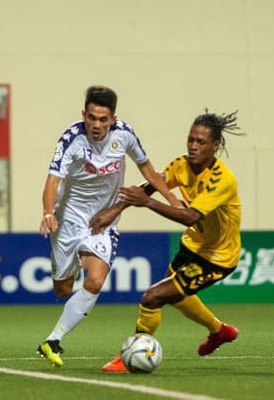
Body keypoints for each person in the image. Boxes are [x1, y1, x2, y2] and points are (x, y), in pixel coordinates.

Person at [38, 85, 180, 367]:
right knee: (63, 290)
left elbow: (148, 169)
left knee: (95, 281)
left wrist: (171, 198)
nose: (97, 125)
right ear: (84, 115)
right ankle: (72, 267)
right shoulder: (72, 138)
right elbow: (53, 180)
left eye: (103, 119)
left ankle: (52, 340)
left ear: (113, 119)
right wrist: (47, 212)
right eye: (92, 118)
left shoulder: (124, 134)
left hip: (104, 220)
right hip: (68, 218)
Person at [94, 110, 243, 372]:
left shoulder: (221, 181)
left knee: (153, 297)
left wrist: (147, 203)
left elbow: (189, 216)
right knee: (175, 295)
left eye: (201, 142)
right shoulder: (182, 164)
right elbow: (152, 184)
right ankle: (220, 331)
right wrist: (115, 209)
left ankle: (131, 355)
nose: (193, 146)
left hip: (217, 256)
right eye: (191, 140)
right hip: (193, 245)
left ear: (215, 145)